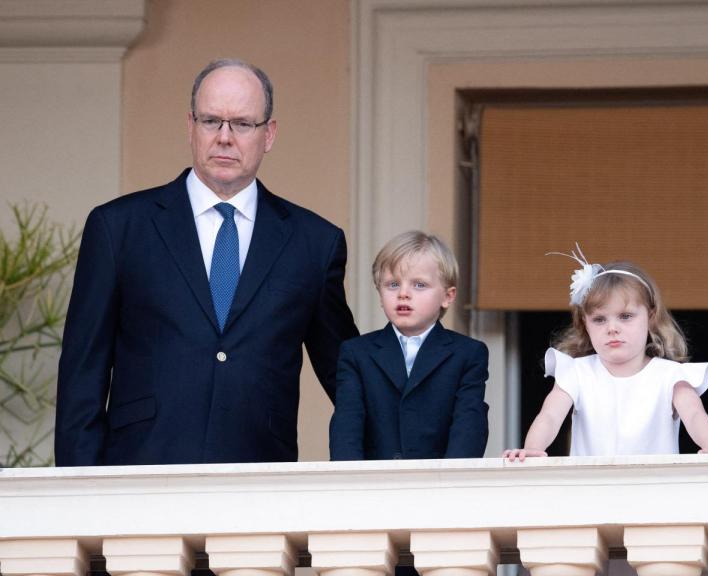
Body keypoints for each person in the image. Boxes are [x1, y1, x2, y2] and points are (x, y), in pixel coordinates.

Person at [55, 59, 359, 466]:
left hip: (259, 481)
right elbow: (82, 376)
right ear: (190, 127)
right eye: (211, 120)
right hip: (138, 479)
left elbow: (349, 379)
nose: (224, 138)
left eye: (242, 124)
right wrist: (80, 496)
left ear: (269, 134)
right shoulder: (118, 228)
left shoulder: (314, 243)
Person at [504, 248, 708, 459]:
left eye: (625, 316)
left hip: (656, 494)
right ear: (584, 324)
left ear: (650, 316)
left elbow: (694, 415)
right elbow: (550, 416)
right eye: (599, 319)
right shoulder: (576, 372)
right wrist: (533, 449)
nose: (612, 328)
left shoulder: (670, 376)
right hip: (593, 494)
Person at [330, 231, 488, 460]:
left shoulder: (468, 354)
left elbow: (468, 426)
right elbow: (346, 427)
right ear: (379, 291)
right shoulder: (356, 353)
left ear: (448, 296)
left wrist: (451, 485)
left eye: (419, 285)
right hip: (373, 488)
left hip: (440, 487)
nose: (403, 294)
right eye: (393, 284)